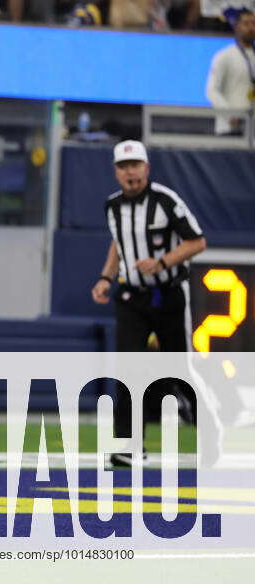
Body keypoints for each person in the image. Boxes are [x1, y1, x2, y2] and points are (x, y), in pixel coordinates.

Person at [91, 140, 207, 467]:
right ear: (116, 172)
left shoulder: (166, 201)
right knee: (128, 369)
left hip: (168, 293)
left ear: (147, 168)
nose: (131, 172)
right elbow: (120, 242)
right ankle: (130, 446)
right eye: (124, 166)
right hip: (132, 298)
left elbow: (197, 241)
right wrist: (105, 278)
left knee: (179, 369)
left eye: (136, 165)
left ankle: (211, 435)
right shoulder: (112, 206)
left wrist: (163, 262)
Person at [206, 8, 255, 135]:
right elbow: (211, 90)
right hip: (229, 128)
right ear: (236, 26)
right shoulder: (224, 56)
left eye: (253, 23)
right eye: (246, 23)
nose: (251, 28)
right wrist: (230, 113)